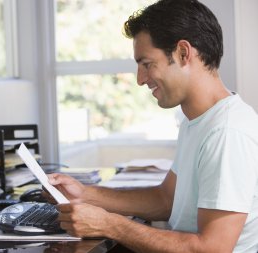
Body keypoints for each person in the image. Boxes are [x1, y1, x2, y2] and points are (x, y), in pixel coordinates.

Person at [46, 0, 258, 252]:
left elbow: (211, 248)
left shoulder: (226, 132)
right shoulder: (198, 121)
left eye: (146, 64)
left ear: (183, 53)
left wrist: (110, 225)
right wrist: (84, 195)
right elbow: (166, 198)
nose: (140, 79)